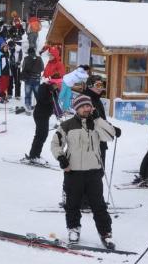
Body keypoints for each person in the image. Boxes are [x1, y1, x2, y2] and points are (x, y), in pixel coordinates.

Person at [51, 94, 120, 249]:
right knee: (72, 204)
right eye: (82, 106)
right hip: (73, 171)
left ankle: (106, 234)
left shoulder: (96, 124)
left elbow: (110, 136)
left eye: (88, 106)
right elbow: (55, 144)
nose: (86, 109)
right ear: (76, 109)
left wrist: (98, 119)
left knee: (99, 205)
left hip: (93, 172)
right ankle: (73, 229)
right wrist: (61, 158)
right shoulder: (67, 125)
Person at [25, 75, 61, 163]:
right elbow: (41, 99)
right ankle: (33, 156)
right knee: (40, 135)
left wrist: (54, 93)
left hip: (45, 115)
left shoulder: (54, 89)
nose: (58, 85)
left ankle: (36, 154)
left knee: (43, 135)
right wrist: (51, 93)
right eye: (57, 84)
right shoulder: (43, 87)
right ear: (53, 83)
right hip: (40, 114)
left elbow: (55, 100)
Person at [20, 48, 43, 113]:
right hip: (37, 78)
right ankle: (40, 107)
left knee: (28, 94)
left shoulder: (26, 59)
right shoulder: (39, 58)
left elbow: (23, 68)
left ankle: (28, 107)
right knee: (38, 94)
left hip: (28, 79)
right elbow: (42, 68)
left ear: (28, 52)